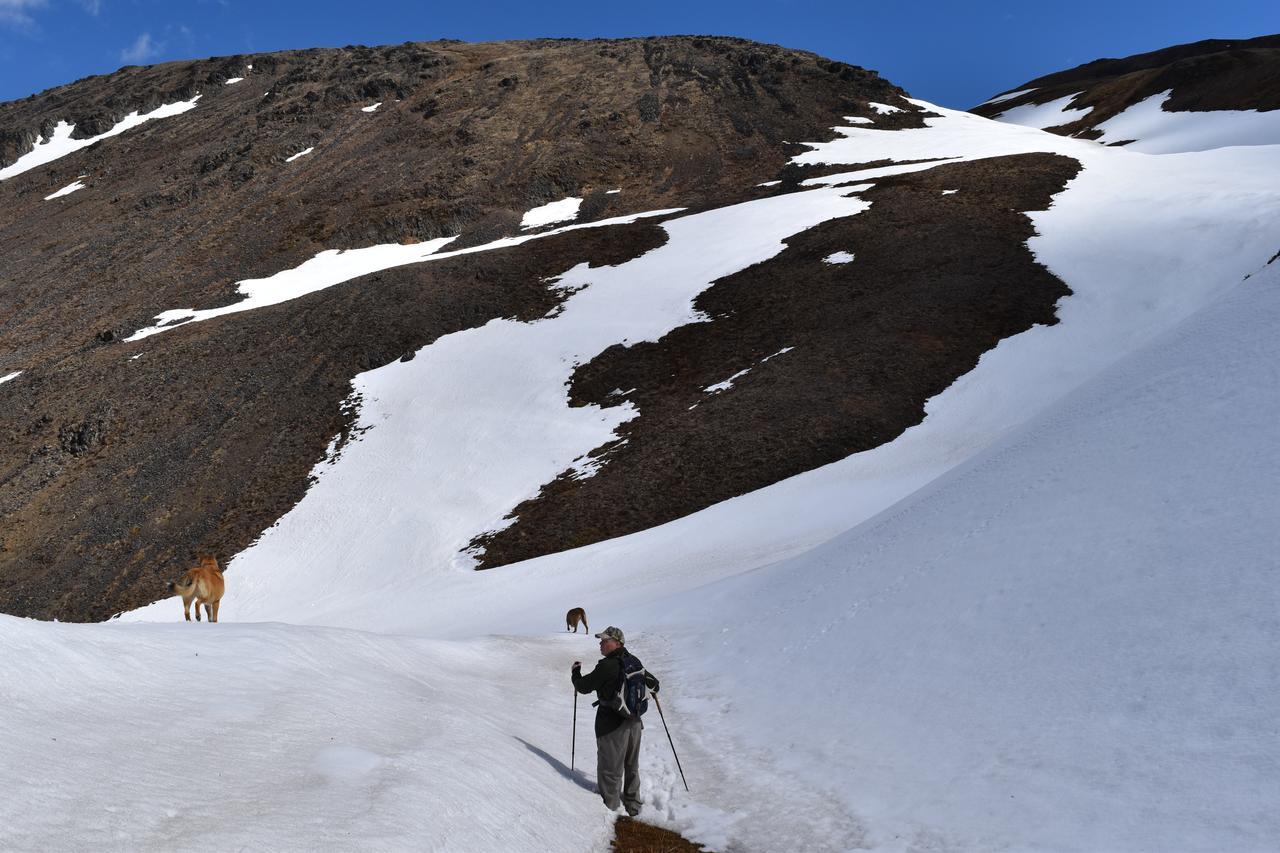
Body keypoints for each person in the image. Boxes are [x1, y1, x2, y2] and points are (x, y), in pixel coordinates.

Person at [571, 625, 659, 816]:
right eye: (600, 641)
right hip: (634, 722)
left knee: (610, 769)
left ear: (617, 642)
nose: (600, 644)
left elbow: (583, 687)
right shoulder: (633, 661)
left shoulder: (608, 666)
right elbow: (655, 684)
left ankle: (609, 808)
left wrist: (575, 673)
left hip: (612, 725)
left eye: (604, 641)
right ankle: (633, 805)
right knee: (631, 765)